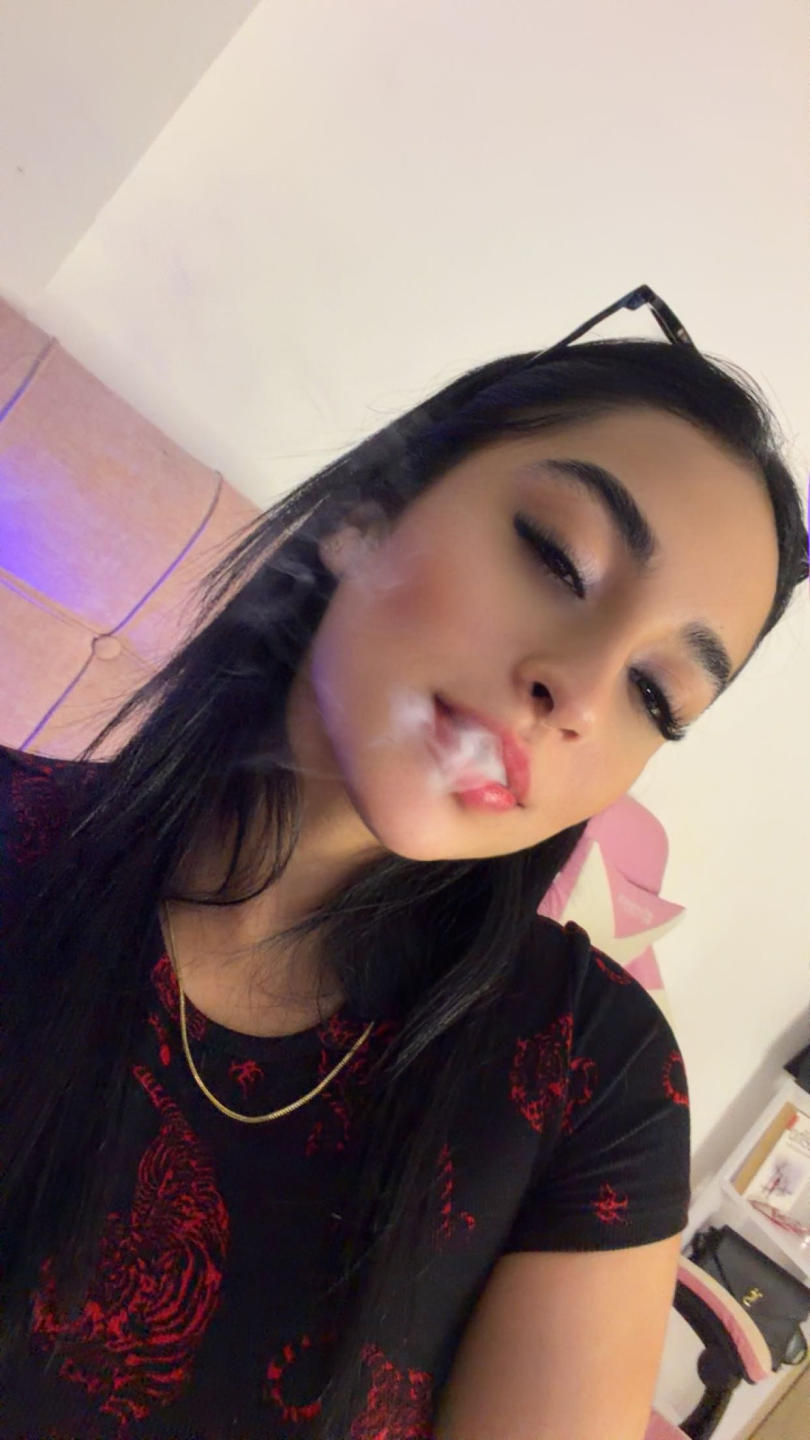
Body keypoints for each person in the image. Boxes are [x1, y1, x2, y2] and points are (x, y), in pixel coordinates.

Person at [0, 305, 806, 1440]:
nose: (580, 693)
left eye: (656, 695)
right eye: (556, 558)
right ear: (368, 515)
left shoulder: (590, 1079)